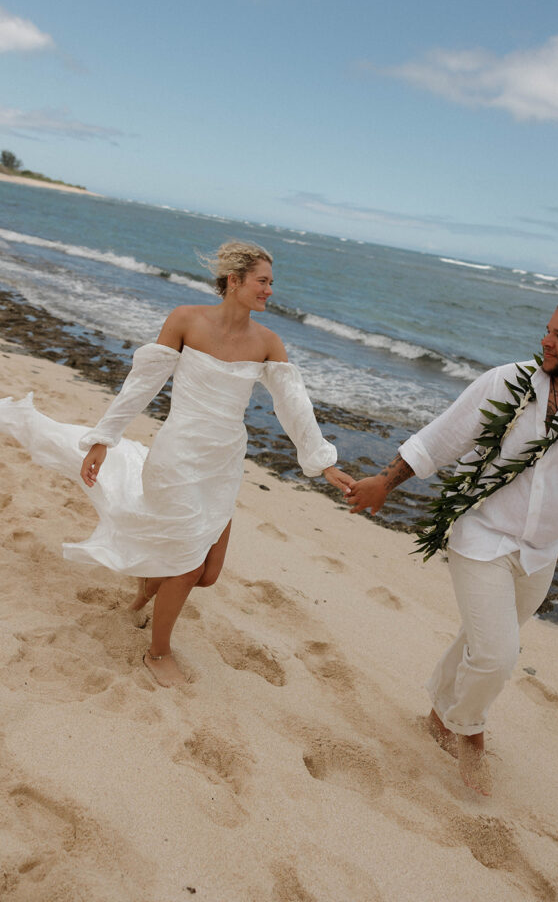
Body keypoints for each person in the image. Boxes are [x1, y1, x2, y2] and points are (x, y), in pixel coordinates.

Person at [0, 241, 353, 687]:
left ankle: (147, 589)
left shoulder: (268, 342)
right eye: (263, 281)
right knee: (186, 566)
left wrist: (323, 463)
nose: (269, 291)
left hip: (223, 464)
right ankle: (158, 653)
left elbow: (294, 406)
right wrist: (103, 439)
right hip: (178, 457)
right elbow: (142, 383)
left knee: (207, 574)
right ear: (234, 280)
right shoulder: (186, 320)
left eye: (271, 283)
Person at [346, 295, 558, 795]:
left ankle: (437, 714)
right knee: (496, 655)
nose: (546, 341)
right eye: (547, 330)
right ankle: (469, 734)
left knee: (482, 640)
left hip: (541, 552)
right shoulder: (507, 381)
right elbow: (440, 439)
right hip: (480, 533)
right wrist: (385, 481)